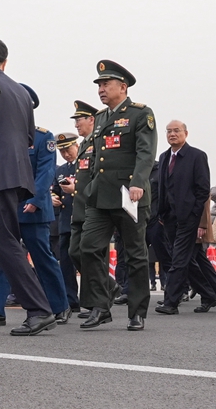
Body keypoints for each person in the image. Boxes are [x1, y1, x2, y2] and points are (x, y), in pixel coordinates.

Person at [0, 44, 56, 336]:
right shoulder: (20, 91)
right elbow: (30, 138)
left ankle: (39, 309)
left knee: (4, 242)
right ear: (5, 61)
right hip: (14, 174)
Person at [80, 60, 156, 331]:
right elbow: (96, 157)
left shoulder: (140, 114)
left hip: (129, 195)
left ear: (122, 87)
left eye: (106, 84)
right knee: (88, 248)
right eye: (99, 85)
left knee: (135, 255)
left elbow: (146, 152)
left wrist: (138, 182)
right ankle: (100, 306)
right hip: (101, 196)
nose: (101, 89)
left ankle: (137, 312)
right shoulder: (100, 117)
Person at [154, 121, 216, 315]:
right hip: (169, 217)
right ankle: (210, 294)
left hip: (188, 218)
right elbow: (162, 187)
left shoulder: (197, 156)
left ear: (185, 133)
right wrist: (161, 212)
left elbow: (203, 190)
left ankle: (171, 302)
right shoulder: (164, 157)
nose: (172, 134)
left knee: (178, 259)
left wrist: (195, 215)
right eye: (169, 131)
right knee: (189, 259)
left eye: (176, 131)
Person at [58, 100, 103, 319]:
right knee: (74, 254)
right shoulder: (86, 146)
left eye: (79, 120)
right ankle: (96, 295)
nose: (76, 124)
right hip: (73, 214)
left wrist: (76, 189)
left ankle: (96, 302)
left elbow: (99, 177)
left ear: (91, 120)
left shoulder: (98, 144)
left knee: (89, 255)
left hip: (92, 211)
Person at [52, 131, 81, 313]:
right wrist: (53, 197)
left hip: (82, 218)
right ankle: (71, 299)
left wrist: (75, 190)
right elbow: (55, 190)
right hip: (65, 221)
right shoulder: (60, 170)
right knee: (66, 262)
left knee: (83, 258)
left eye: (68, 150)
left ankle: (97, 295)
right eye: (62, 151)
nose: (66, 154)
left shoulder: (85, 165)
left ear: (76, 146)